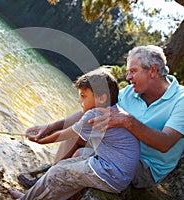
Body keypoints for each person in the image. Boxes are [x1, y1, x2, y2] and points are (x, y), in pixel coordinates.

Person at [21, 45, 184, 191]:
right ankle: (45, 183)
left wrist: (128, 121)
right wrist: (50, 127)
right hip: (114, 148)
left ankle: (47, 186)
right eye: (128, 72)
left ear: (153, 71)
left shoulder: (181, 100)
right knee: (76, 133)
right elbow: (92, 112)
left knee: (80, 154)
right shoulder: (129, 92)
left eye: (133, 71)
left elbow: (165, 143)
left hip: (144, 166)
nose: (128, 78)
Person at [9, 68, 140, 199]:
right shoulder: (112, 111)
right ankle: (28, 196)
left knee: (56, 172)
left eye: (83, 96)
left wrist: (39, 139)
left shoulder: (95, 115)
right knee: (64, 165)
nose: (79, 100)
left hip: (110, 174)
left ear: (102, 98)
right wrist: (46, 130)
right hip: (116, 174)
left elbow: (64, 135)